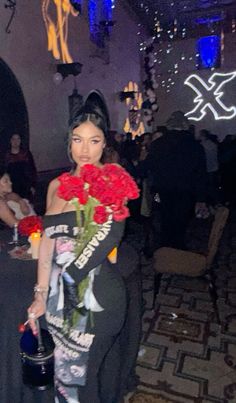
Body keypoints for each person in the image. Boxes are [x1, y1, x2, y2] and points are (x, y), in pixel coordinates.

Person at [27, 99, 138, 402]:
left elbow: (109, 238)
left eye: (94, 140)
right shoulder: (56, 185)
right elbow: (48, 240)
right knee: (66, 382)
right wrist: (40, 292)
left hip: (97, 300)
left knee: (80, 385)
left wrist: (66, 281)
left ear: (105, 144)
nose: (85, 149)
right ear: (69, 142)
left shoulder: (112, 181)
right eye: (78, 139)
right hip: (57, 301)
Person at [144, 111, 207, 250]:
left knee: (163, 218)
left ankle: (164, 249)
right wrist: (201, 198)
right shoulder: (195, 146)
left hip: (160, 191)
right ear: (185, 125)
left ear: (169, 125)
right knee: (181, 222)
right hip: (186, 192)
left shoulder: (158, 144)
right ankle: (177, 250)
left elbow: (147, 167)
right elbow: (201, 174)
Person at [4, 133, 37, 200]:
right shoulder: (6, 155)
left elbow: (33, 170)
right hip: (12, 187)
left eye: (18, 139)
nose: (15, 141)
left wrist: (33, 185)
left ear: (20, 141)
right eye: (13, 139)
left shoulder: (26, 154)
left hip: (25, 186)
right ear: (10, 141)